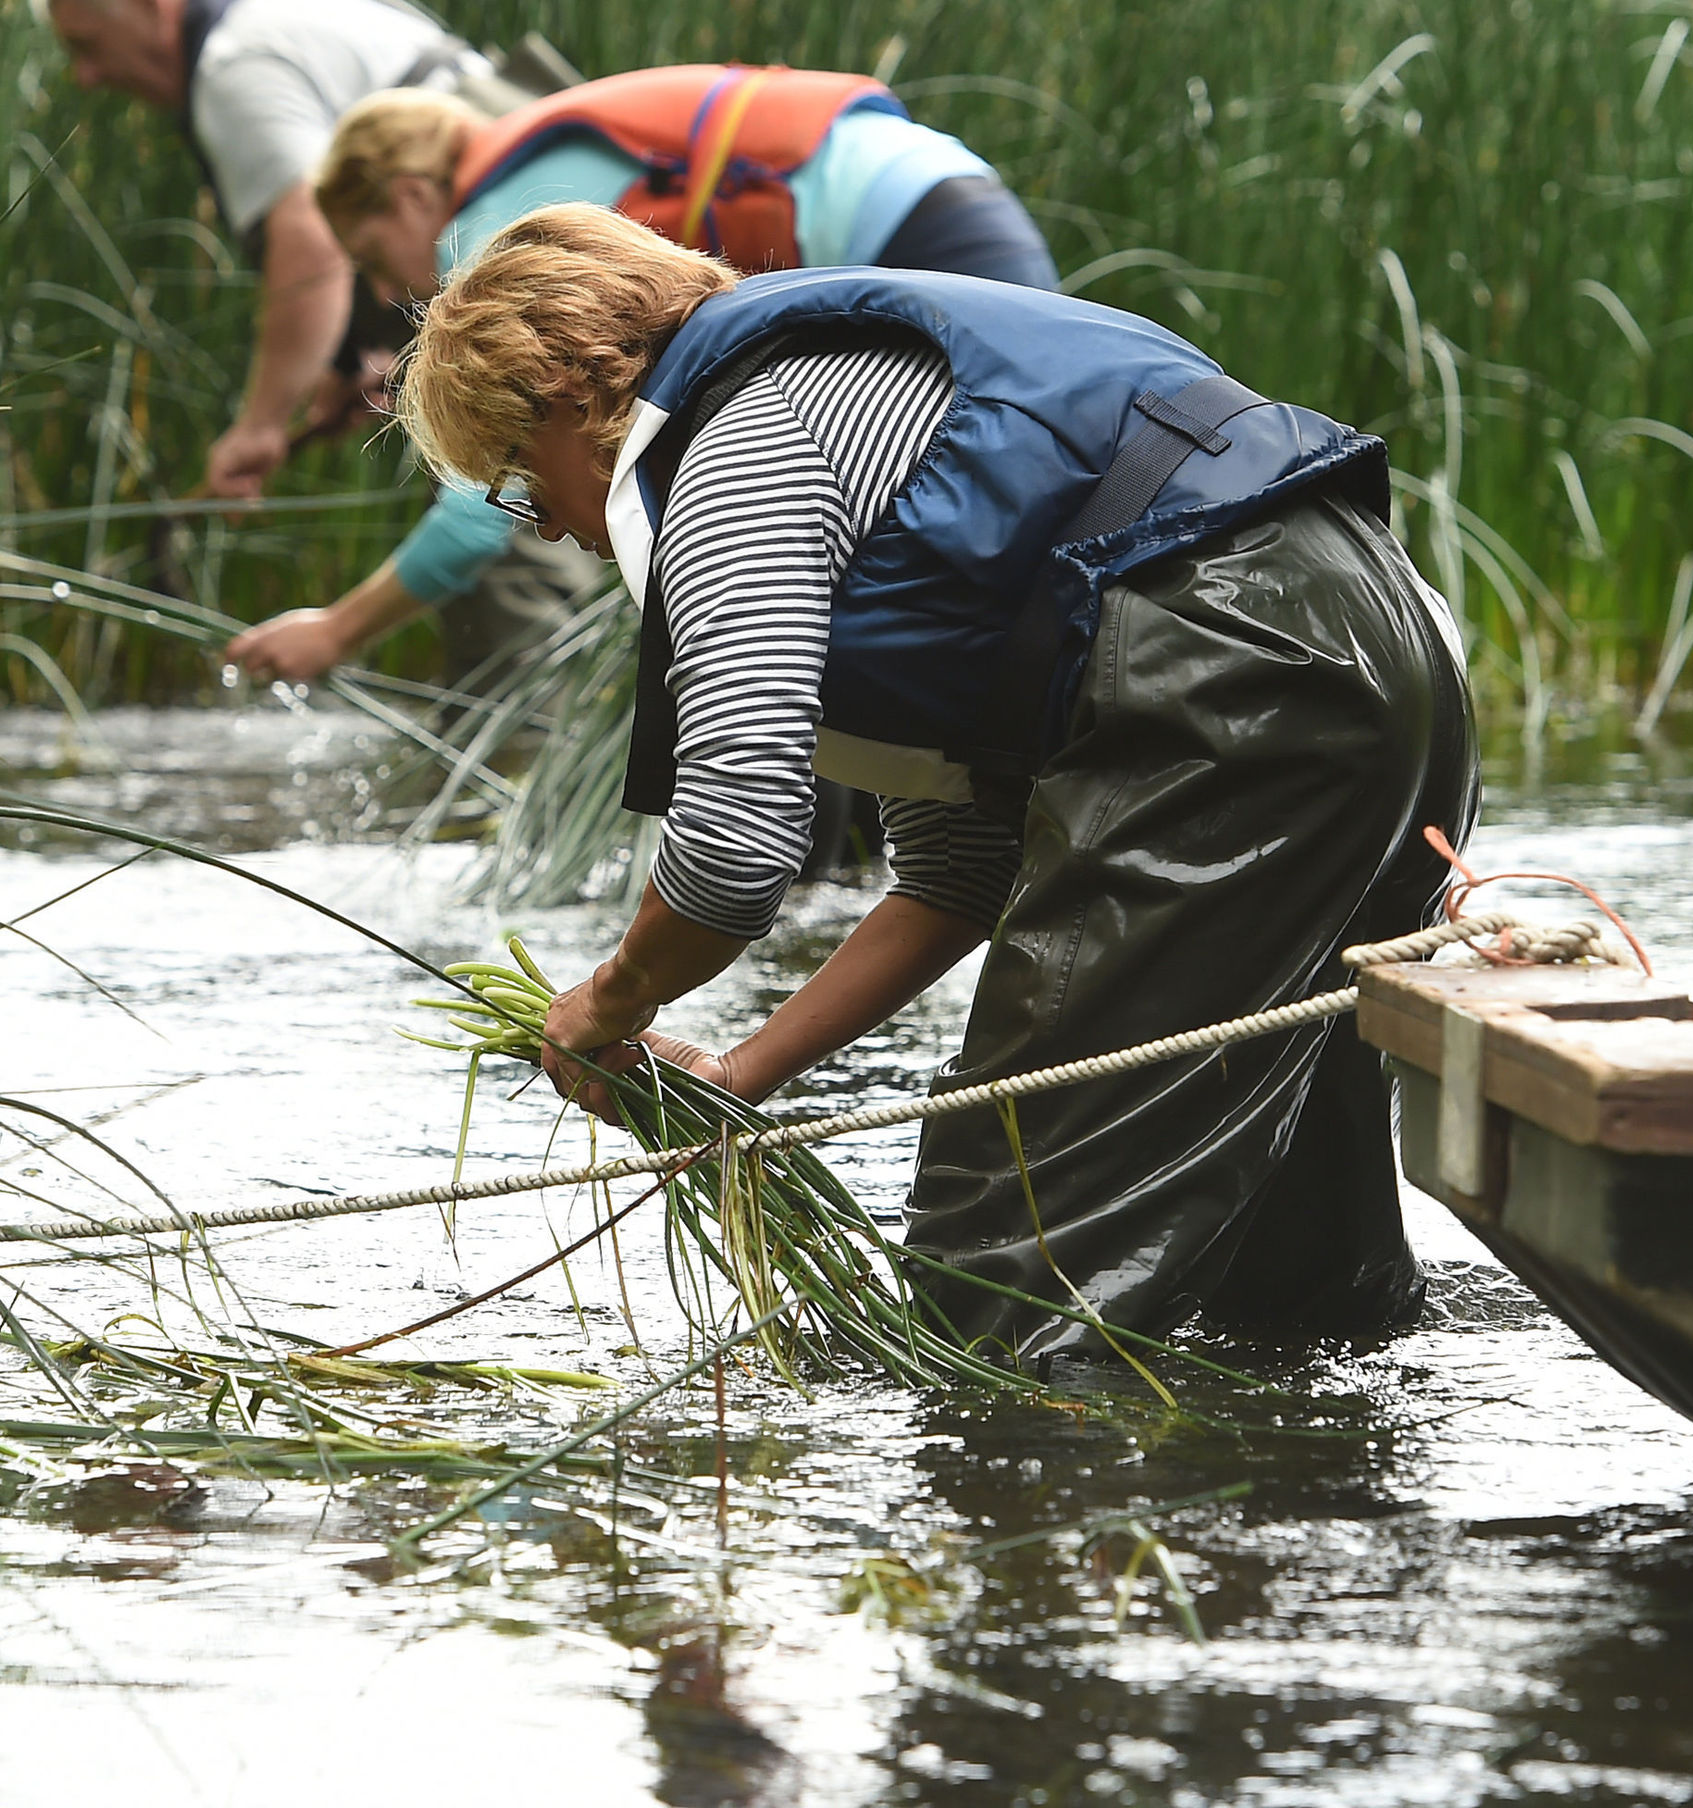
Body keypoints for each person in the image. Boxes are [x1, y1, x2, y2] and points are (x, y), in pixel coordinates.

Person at [392, 203, 1478, 1361]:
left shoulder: (732, 447)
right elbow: (961, 871)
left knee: (1010, 1258)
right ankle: (1300, 1490)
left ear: (561, 394)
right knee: (1286, 1256)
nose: (549, 530)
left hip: (1226, 674)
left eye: (517, 481)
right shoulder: (857, 411)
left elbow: (731, 845)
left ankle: (1019, 1515)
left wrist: (609, 1002)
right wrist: (738, 1073)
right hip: (1383, 648)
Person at [223, 64, 1057, 683]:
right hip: (948, 191)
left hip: (917, 234)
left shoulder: (495, 234)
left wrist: (336, 630)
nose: (383, 292)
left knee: (951, 571)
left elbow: (477, 514)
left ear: (409, 197)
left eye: (371, 259)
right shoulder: (529, 165)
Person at [25, 0, 539, 502]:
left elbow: (310, 240)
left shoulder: (231, 63)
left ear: (146, 1)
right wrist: (350, 362)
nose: (86, 76)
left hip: (515, 289)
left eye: (87, 45)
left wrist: (260, 424)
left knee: (508, 528)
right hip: (531, 243)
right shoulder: (285, 5)